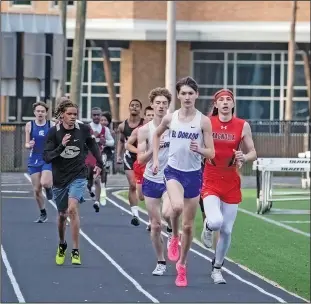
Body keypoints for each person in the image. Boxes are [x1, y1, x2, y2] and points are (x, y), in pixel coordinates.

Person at [152, 77, 215, 287]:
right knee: (176, 207)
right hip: (173, 172)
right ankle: (174, 238)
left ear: (196, 95)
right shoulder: (170, 118)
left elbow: (212, 152)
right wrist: (154, 159)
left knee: (189, 226)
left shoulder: (203, 121)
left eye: (191, 93)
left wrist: (200, 150)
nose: (187, 97)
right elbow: (156, 136)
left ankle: (183, 265)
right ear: (178, 95)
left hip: (193, 174)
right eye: (183, 93)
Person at [201, 89, 257, 284]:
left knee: (226, 230)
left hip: (231, 181)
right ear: (216, 105)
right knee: (215, 222)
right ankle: (207, 227)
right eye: (221, 100)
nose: (225, 102)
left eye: (229, 100)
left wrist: (244, 157)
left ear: (233, 104)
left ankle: (217, 268)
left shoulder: (242, 125)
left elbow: (253, 153)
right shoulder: (207, 122)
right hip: (211, 177)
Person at [43, 99, 103, 266]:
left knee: (72, 209)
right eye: (69, 114)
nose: (72, 117)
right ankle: (62, 244)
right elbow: (46, 157)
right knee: (62, 215)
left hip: (78, 175)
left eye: (75, 114)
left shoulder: (83, 129)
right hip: (60, 178)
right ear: (62, 114)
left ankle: (75, 250)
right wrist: (61, 146)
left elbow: (93, 146)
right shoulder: (53, 132)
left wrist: (100, 164)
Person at [137, 88, 173, 276]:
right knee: (155, 225)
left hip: (170, 178)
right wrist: (155, 146)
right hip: (151, 178)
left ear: (168, 106)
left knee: (169, 212)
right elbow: (141, 160)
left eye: (164, 103)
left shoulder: (175, 127)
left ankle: (173, 229)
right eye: (158, 103)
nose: (161, 106)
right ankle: (161, 261)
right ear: (152, 105)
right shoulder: (144, 130)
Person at [116, 99, 144, 226]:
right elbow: (121, 141)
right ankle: (135, 214)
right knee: (132, 185)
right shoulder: (123, 126)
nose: (134, 107)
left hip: (144, 157)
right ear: (129, 108)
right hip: (129, 158)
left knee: (144, 189)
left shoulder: (145, 124)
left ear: (140, 109)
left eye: (137, 106)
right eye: (132, 105)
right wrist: (118, 156)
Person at [25, 101, 54, 223]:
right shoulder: (29, 125)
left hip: (47, 157)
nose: (40, 113)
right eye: (38, 111)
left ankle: (48, 188)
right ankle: (43, 212)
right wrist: (29, 144)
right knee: (36, 190)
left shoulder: (51, 124)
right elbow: (26, 144)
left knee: (45, 183)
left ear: (46, 113)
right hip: (34, 158)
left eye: (42, 111)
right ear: (34, 113)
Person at [86, 107, 115, 211]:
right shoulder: (87, 127)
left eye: (98, 115)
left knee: (97, 178)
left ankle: (97, 202)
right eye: (94, 115)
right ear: (91, 116)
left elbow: (112, 142)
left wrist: (105, 142)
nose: (96, 117)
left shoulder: (105, 129)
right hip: (88, 156)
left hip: (100, 155)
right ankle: (89, 188)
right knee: (89, 178)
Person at [125, 106, 154, 205]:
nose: (151, 117)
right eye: (149, 115)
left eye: (153, 115)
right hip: (141, 164)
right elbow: (127, 145)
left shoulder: (162, 129)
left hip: (154, 164)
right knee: (141, 197)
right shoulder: (139, 130)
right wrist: (139, 151)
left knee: (155, 194)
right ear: (144, 117)